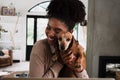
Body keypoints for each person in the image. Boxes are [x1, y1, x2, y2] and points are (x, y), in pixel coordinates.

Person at [29, 0, 89, 78]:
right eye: (48, 27)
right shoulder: (40, 47)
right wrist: (60, 62)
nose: (50, 34)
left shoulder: (76, 48)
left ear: (70, 32)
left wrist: (77, 67)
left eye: (57, 31)